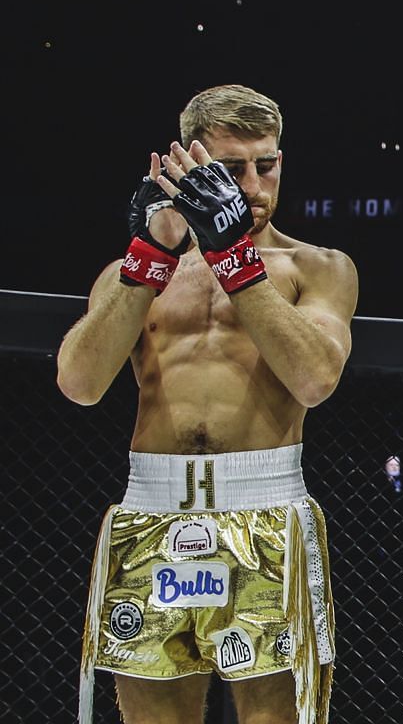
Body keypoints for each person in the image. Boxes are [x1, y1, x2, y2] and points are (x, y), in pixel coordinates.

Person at [56, 84, 358, 724]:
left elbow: (315, 379)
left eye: (266, 165)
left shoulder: (318, 267)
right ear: (187, 166)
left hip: (265, 511)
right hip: (152, 511)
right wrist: (149, 256)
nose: (252, 186)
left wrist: (234, 257)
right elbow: (79, 383)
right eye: (230, 169)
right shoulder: (132, 272)